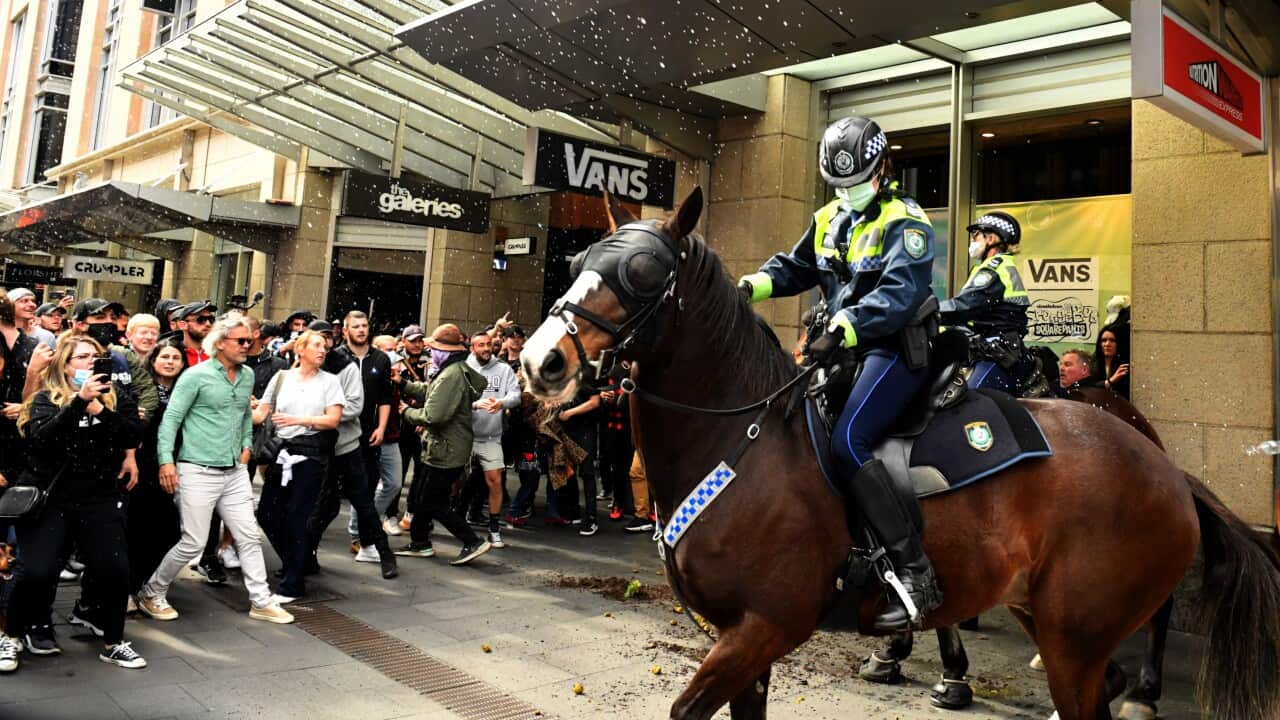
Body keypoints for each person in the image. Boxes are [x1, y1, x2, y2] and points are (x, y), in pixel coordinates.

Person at [737, 115, 941, 631]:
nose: (848, 192)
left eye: (857, 182)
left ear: (883, 168)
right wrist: (751, 286)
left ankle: (916, 573)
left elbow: (899, 294)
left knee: (848, 441)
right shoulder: (828, 216)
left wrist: (844, 326)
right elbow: (796, 267)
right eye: (838, 184)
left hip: (892, 349)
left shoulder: (907, 220)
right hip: (840, 351)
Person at [136, 316, 294, 625]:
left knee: (249, 536)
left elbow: (244, 415)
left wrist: (246, 447)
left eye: (250, 340)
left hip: (234, 470)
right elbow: (171, 420)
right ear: (220, 343)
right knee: (193, 542)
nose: (248, 346)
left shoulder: (246, 375)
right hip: (196, 469)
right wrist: (166, 462)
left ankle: (261, 600)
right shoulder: (195, 376)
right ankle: (152, 591)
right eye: (241, 341)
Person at [6, 335, 147, 670]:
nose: (91, 362)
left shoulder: (117, 398)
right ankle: (11, 635)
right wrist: (78, 403)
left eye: (96, 357)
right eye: (82, 357)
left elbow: (132, 435)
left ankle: (113, 641)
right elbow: (42, 441)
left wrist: (100, 410)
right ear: (65, 366)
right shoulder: (46, 398)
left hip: (98, 498)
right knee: (37, 571)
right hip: (51, 498)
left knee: (114, 570)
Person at [254, 330, 346, 601]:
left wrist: (299, 420)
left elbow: (333, 420)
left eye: (325, 346)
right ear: (300, 350)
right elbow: (261, 414)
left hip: (311, 454)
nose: (323, 350)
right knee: (267, 513)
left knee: (297, 516)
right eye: (316, 345)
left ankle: (293, 584)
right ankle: (297, 561)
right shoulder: (282, 377)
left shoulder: (330, 381)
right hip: (281, 451)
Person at [303, 320, 397, 580]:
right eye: (317, 339)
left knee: (363, 500)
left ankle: (385, 554)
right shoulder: (301, 368)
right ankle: (307, 556)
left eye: (326, 338)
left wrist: (319, 415)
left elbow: (356, 405)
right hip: (316, 447)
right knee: (322, 505)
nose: (323, 344)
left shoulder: (344, 364)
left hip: (347, 445)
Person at [394, 323, 491, 565]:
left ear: (445, 351)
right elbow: (431, 391)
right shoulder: (454, 370)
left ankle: (472, 541)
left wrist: (406, 411)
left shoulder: (450, 375)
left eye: (434, 348)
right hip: (445, 448)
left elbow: (433, 416)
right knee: (421, 498)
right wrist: (404, 384)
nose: (431, 351)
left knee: (433, 503)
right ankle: (420, 543)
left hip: (446, 450)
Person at [939, 212, 1036, 394]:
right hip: (991, 351)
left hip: (1001, 356)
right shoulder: (991, 267)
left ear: (991, 238)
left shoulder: (995, 269)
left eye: (976, 234)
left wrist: (930, 312)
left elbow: (965, 306)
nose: (972, 239)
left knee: (967, 399)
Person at [128, 337, 187, 602]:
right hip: (143, 464)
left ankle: (143, 582)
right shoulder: (143, 390)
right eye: (164, 357)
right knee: (138, 528)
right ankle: (130, 587)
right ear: (153, 361)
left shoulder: (186, 390)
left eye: (176, 358)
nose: (170, 362)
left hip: (174, 463)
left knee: (169, 531)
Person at [334, 312, 394, 561]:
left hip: (369, 432)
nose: (361, 330)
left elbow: (385, 397)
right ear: (345, 330)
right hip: (339, 433)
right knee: (331, 493)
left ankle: (364, 540)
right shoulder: (335, 357)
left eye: (364, 326)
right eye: (355, 326)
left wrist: (381, 428)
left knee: (367, 486)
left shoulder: (381, 358)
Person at [464, 330, 521, 548]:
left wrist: (502, 403)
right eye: (481, 345)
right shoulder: (463, 368)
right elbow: (454, 398)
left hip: (490, 436)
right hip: (464, 436)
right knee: (458, 481)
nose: (486, 348)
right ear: (472, 348)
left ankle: (494, 529)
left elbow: (516, 396)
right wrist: (474, 404)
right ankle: (457, 519)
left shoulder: (504, 369)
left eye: (488, 344)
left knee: (495, 481)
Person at [371, 334, 405, 535]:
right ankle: (361, 530)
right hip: (370, 437)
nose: (394, 354)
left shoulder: (397, 377)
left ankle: (371, 518)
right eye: (388, 350)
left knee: (394, 484)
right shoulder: (370, 374)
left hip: (391, 437)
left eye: (395, 350)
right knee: (367, 487)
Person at [1092, 323, 1130, 399]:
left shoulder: (1124, 365)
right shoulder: (1092, 363)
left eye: (1112, 340)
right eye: (1104, 340)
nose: (1107, 344)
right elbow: (1089, 387)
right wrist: (1110, 381)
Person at [173, 301, 215, 366]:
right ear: (183, 325)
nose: (208, 324)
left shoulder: (217, 354)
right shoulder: (172, 354)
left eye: (211, 319)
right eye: (201, 320)